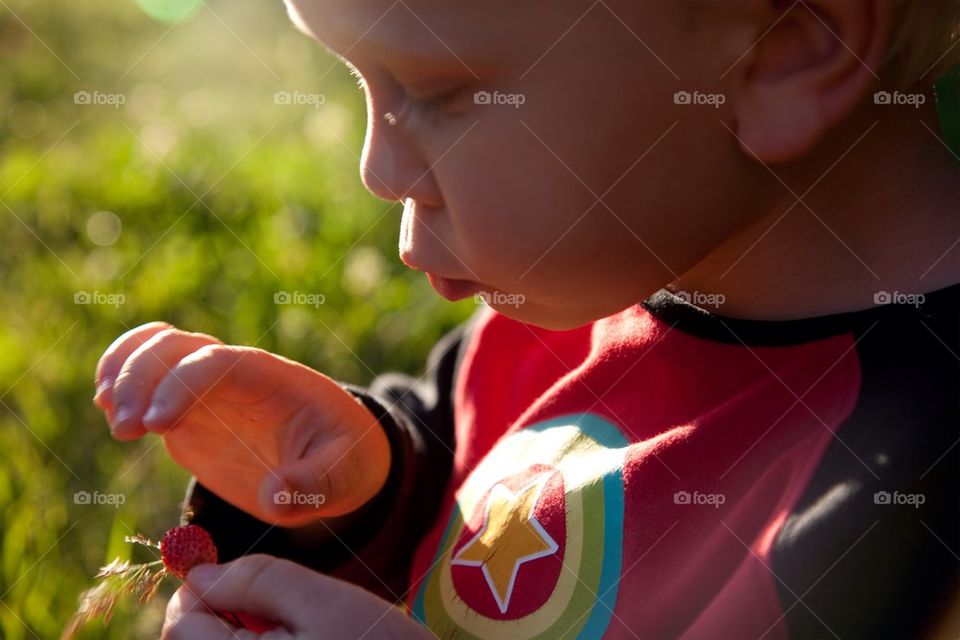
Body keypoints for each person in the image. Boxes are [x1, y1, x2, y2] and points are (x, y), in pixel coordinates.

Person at [93, 1, 960, 637]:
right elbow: (470, 475)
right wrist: (357, 485)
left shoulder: (905, 503)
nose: (376, 168)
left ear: (790, 48)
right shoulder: (583, 284)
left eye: (442, 91)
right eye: (357, 81)